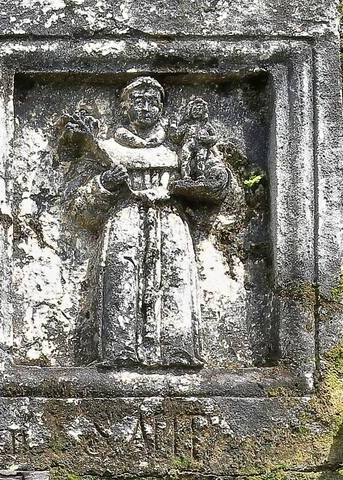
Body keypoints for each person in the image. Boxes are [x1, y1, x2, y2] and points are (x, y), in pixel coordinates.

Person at [61, 76, 233, 368]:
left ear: (162, 109)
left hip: (170, 224)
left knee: (174, 279)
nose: (145, 108)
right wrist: (105, 184)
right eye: (137, 102)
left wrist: (194, 182)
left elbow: (216, 182)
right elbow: (78, 209)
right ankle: (119, 351)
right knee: (121, 280)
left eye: (152, 102)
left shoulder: (181, 147)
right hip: (124, 224)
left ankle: (178, 351)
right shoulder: (106, 150)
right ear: (125, 108)